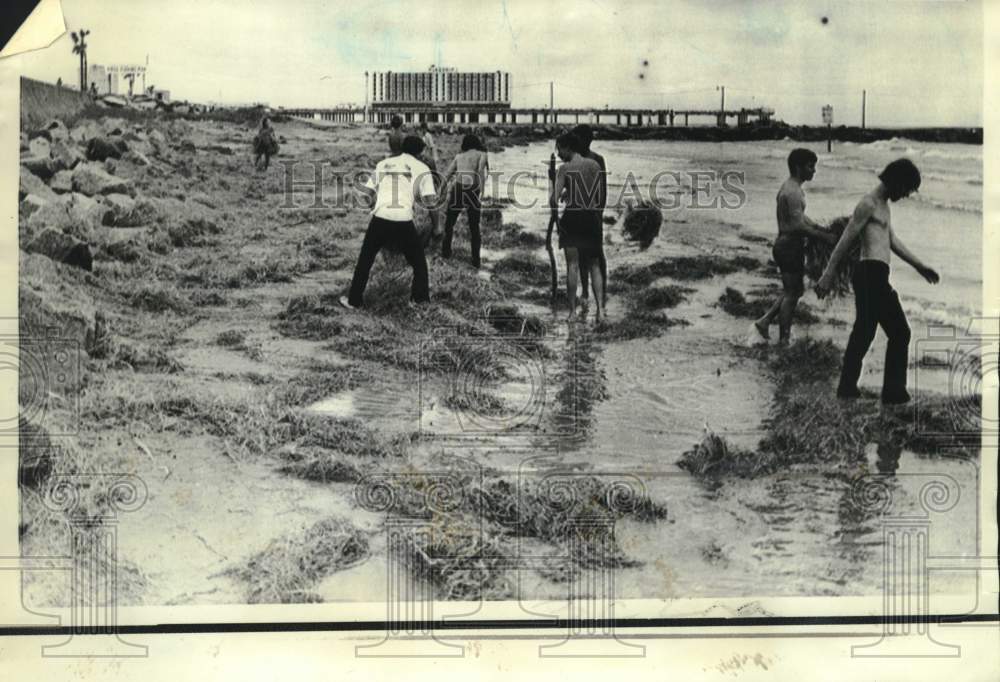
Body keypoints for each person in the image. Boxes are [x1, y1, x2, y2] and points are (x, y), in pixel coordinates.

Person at [816, 158, 938, 405]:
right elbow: (846, 240)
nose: (904, 195)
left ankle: (847, 387)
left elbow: (891, 241)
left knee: (864, 331)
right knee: (900, 332)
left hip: (876, 274)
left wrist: (920, 266)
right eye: (905, 189)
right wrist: (828, 274)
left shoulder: (883, 206)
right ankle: (893, 392)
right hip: (869, 274)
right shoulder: (868, 204)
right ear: (896, 181)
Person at [341, 135, 440, 310]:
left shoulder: (385, 163)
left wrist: (377, 204)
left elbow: (367, 194)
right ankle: (419, 302)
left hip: (380, 217)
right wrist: (437, 227)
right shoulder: (423, 168)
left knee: (365, 259)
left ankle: (353, 301)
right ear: (420, 151)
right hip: (403, 219)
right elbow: (431, 202)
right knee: (419, 263)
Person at [754, 148, 836, 344]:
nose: (813, 171)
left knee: (794, 291)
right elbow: (796, 225)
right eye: (810, 166)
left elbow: (798, 217)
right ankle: (783, 340)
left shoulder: (790, 187)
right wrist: (823, 237)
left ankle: (765, 321)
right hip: (789, 247)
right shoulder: (793, 192)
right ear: (799, 167)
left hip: (786, 245)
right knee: (791, 295)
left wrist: (817, 226)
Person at [550, 132, 605, 322]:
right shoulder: (595, 165)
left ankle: (573, 313)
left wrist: (557, 220)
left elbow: (553, 199)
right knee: (595, 266)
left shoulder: (564, 169)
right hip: (591, 217)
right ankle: (600, 311)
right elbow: (596, 195)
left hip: (572, 218)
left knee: (572, 266)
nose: (558, 154)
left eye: (559, 149)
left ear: (567, 147)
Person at [570, 125, 609, 306]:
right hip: (577, 212)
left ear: (587, 140)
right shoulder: (574, 159)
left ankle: (603, 290)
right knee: (581, 254)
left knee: (597, 255)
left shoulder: (597, 159)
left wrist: (599, 212)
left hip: (593, 213)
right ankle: (585, 291)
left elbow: (603, 188)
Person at [439, 134, 489, 268]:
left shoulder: (459, 156)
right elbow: (480, 173)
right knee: (474, 227)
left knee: (449, 222)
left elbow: (448, 174)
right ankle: (476, 260)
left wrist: (439, 191)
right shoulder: (482, 154)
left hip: (458, 188)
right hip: (472, 190)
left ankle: (446, 252)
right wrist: (481, 192)